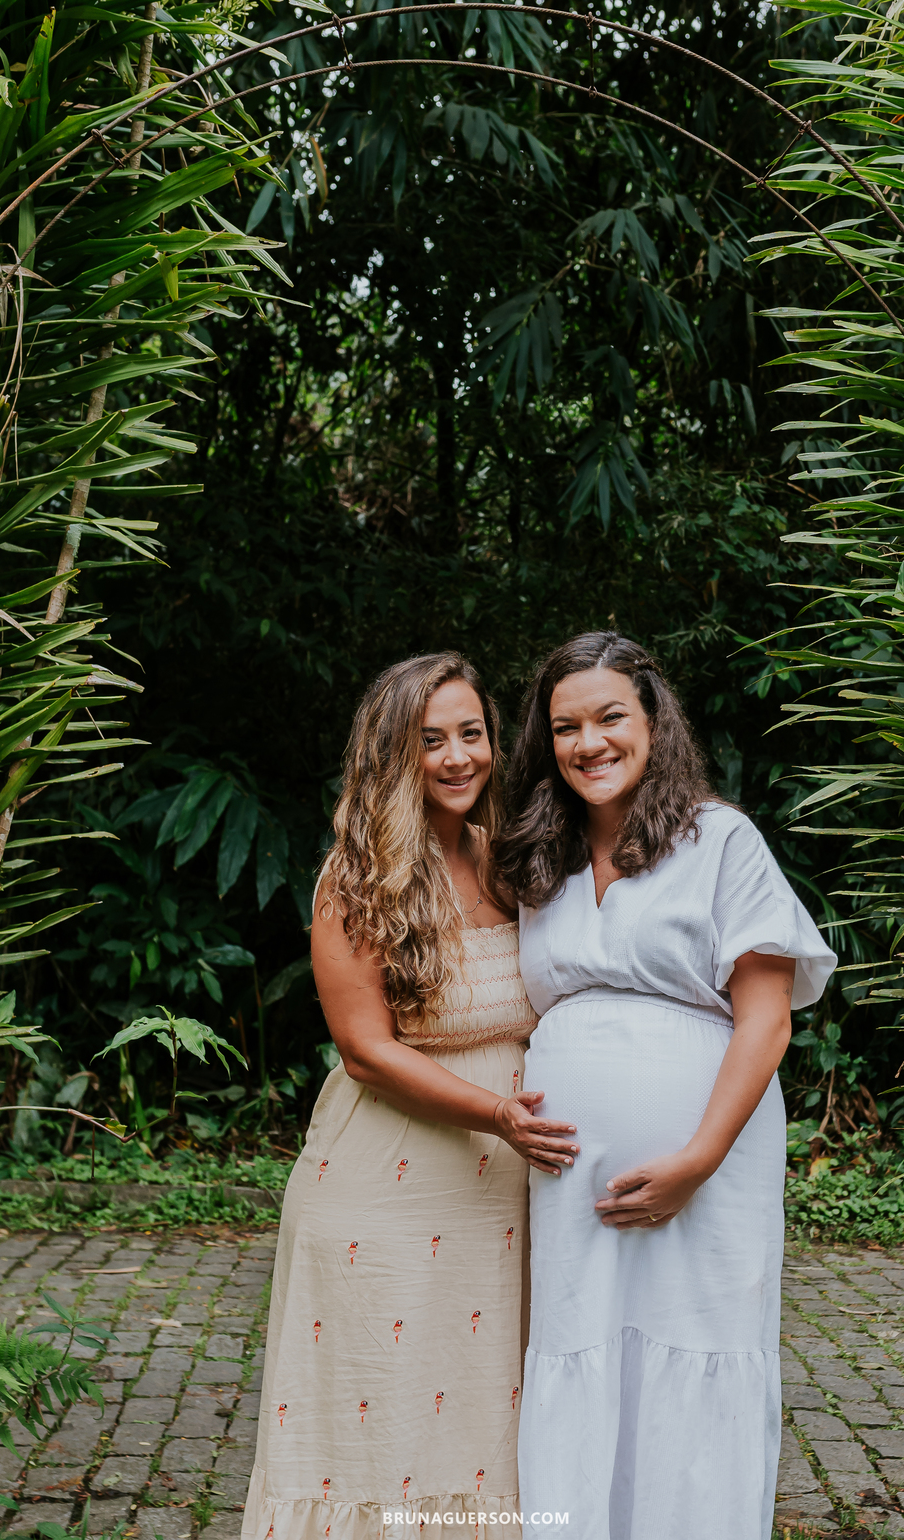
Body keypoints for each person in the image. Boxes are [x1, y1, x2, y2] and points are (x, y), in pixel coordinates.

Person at [497, 632, 836, 1540]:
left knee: (700, 1346)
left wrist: (697, 1159)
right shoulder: (539, 857)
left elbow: (766, 1018)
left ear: (654, 721)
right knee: (580, 1348)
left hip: (709, 1162)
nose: (589, 743)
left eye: (611, 717)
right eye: (566, 726)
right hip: (571, 1175)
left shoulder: (718, 838)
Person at [241, 652, 578, 1540]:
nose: (460, 756)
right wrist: (501, 1115)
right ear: (395, 755)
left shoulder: (505, 861)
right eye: (433, 740)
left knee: (479, 1419)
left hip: (500, 1198)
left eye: (473, 734)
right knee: (380, 1422)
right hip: (385, 1188)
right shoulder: (355, 878)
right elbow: (364, 1052)